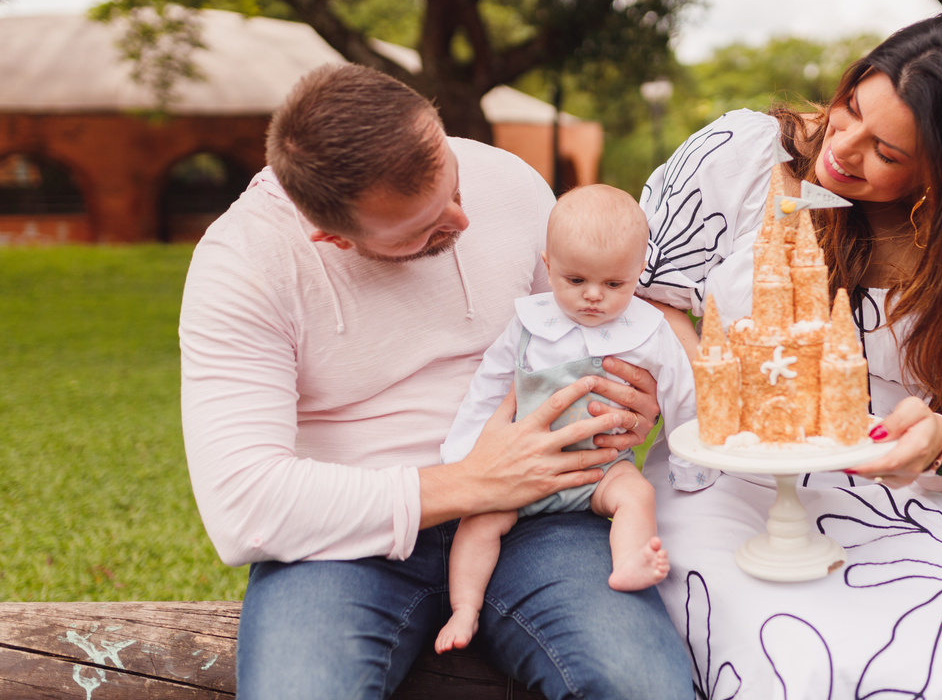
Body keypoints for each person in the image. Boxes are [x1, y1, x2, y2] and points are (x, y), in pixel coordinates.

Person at [178, 64, 693, 700]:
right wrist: (471, 481)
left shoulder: (505, 181)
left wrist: (631, 398)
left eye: (453, 185)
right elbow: (245, 507)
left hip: (541, 513)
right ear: (332, 236)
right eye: (424, 227)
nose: (462, 218)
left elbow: (586, 330)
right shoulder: (244, 265)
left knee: (640, 684)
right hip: (345, 541)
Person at [636, 9, 942, 699]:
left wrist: (937, 441)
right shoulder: (741, 156)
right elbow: (650, 295)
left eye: (888, 152)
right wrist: (722, 396)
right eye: (850, 109)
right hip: (728, 478)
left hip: (894, 503)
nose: (844, 147)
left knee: (938, 663)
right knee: (783, 658)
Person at [435, 184, 696, 653]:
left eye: (614, 284)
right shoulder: (530, 323)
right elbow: (490, 384)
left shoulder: (648, 332)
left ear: (638, 272)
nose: (594, 297)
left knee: (636, 494)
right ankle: (465, 608)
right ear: (548, 265)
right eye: (575, 281)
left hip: (599, 471)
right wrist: (464, 455)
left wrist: (689, 459)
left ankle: (629, 562)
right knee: (478, 522)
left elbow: (682, 393)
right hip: (516, 472)